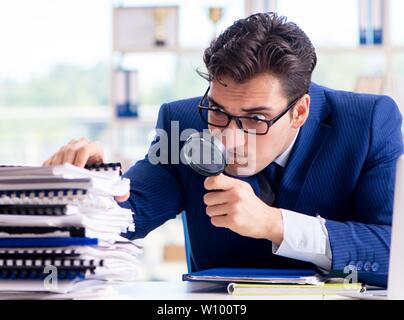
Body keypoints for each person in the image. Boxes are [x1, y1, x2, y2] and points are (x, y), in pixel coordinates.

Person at [43, 13, 403, 286]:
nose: (229, 138)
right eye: (218, 111)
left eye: (255, 118)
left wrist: (275, 225)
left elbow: (393, 252)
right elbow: (125, 216)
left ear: (300, 111)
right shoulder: (183, 123)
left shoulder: (368, 122)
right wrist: (88, 185)